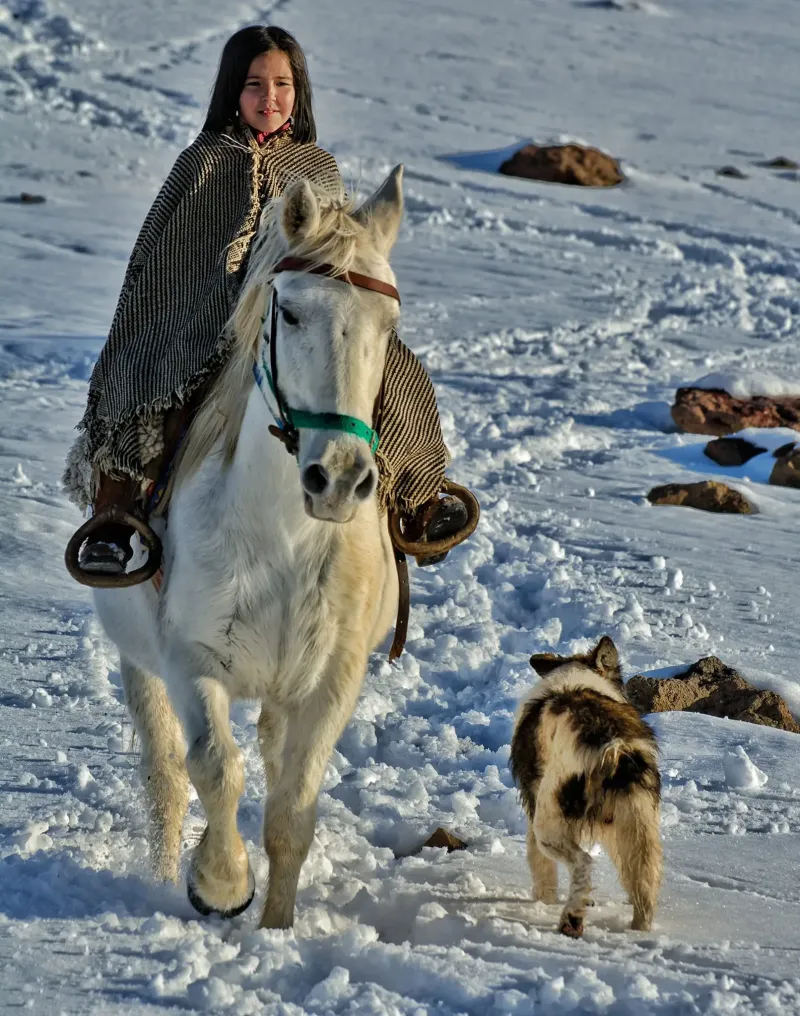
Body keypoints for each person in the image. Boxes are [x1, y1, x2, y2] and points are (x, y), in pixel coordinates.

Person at [64, 25, 471, 575]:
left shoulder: (315, 167)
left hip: (297, 319)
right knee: (143, 368)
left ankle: (417, 500)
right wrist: (201, 297)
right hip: (197, 315)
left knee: (395, 371)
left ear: (298, 91)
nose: (270, 97)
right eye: (254, 84)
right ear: (233, 90)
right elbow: (159, 259)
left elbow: (337, 254)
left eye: (282, 83)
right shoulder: (203, 161)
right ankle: (117, 514)